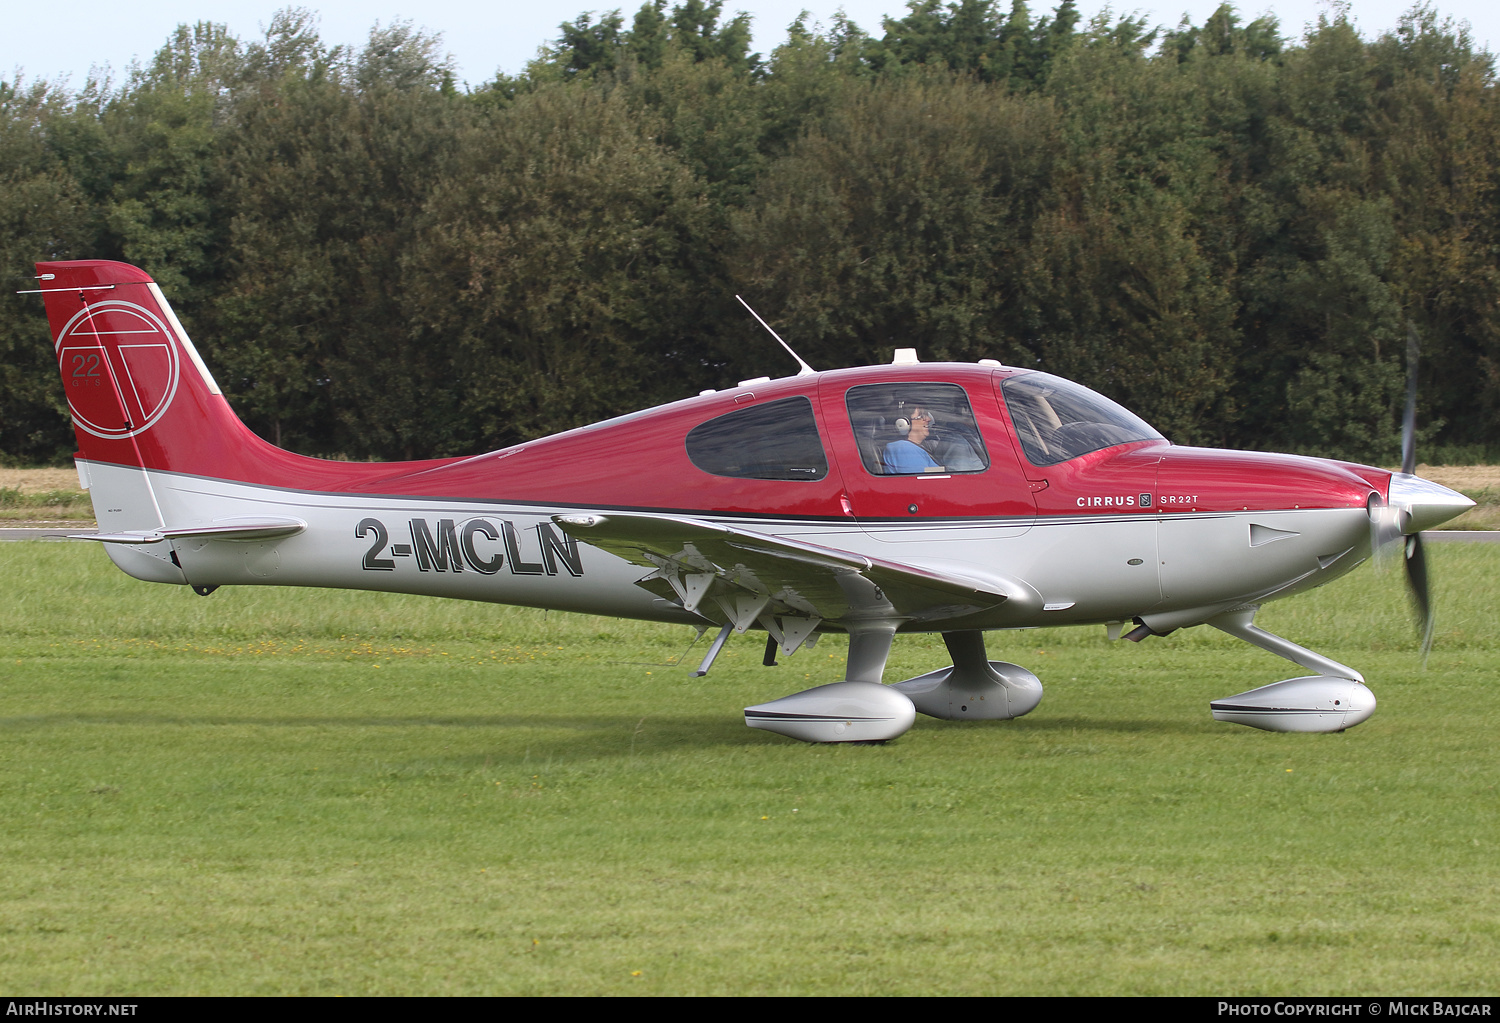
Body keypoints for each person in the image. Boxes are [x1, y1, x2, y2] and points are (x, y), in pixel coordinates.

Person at [882, 408, 941, 474]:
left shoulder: (917, 447)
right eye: (922, 415)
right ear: (903, 422)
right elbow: (922, 482)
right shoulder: (904, 449)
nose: (928, 419)